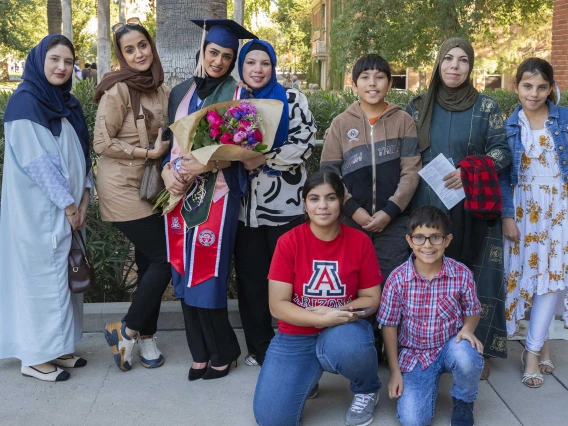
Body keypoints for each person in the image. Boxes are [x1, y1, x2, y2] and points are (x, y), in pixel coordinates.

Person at [406, 38, 511, 378]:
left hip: (473, 208)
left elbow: (502, 152)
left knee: (475, 277)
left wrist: (469, 171)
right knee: (430, 276)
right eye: (447, 58)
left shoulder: (487, 107)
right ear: (438, 63)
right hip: (426, 205)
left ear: (471, 66)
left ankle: (474, 348)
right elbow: (405, 152)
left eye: (462, 60)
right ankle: (428, 345)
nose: (454, 65)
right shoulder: (418, 105)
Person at [161, 19, 256, 381]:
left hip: (218, 194)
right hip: (179, 192)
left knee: (208, 273)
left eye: (226, 55)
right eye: (213, 52)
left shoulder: (240, 94)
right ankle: (199, 352)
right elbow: (170, 146)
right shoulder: (180, 92)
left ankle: (224, 350)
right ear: (202, 50)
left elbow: (247, 149)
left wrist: (211, 160)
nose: (218, 60)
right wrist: (168, 174)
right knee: (182, 272)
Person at [254, 171, 383, 426]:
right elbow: (277, 305)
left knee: (349, 346)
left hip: (343, 327)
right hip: (295, 333)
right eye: (314, 198)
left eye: (330, 198)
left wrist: (337, 314)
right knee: (272, 419)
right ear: (304, 203)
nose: (322, 206)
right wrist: (317, 316)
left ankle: (367, 388)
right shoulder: (288, 242)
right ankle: (305, 378)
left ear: (342, 201)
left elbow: (371, 298)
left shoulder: (359, 241)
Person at [0, 34, 92, 382]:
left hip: (69, 210)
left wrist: (84, 197)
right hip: (39, 215)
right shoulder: (25, 103)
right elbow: (39, 164)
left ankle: (59, 346)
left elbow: (82, 157)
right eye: (54, 59)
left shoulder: (66, 104)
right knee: (42, 281)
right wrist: (69, 207)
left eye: (68, 62)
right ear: (39, 61)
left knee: (67, 281)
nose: (61, 67)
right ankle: (35, 356)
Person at [94, 18, 172, 372]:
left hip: (151, 189)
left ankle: (146, 337)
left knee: (147, 263)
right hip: (123, 189)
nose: (139, 53)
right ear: (121, 56)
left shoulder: (161, 88)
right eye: (130, 50)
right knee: (165, 259)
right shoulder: (118, 90)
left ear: (150, 46)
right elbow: (101, 143)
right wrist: (147, 154)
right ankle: (126, 327)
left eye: (143, 45)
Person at [234, 39, 316, 367]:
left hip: (286, 209)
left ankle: (294, 344)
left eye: (264, 63)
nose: (257, 69)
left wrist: (262, 158)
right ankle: (259, 347)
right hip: (244, 212)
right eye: (250, 63)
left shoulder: (292, 99)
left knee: (291, 281)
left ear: (273, 66)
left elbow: (304, 143)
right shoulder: (234, 102)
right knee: (252, 282)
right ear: (241, 66)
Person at [378, 205, 484, 426]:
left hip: (449, 346)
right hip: (415, 355)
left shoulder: (461, 274)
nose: (427, 245)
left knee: (468, 356)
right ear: (409, 240)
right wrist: (395, 371)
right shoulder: (397, 279)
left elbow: (473, 310)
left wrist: (466, 330)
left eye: (435, 237)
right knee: (413, 421)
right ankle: (426, 385)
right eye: (420, 238)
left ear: (447, 240)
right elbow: (389, 326)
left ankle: (464, 399)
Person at [499, 58, 568, 388]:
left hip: (559, 210)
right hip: (525, 211)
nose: (535, 93)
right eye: (528, 86)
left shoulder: (565, 119)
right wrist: (507, 215)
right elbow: (501, 177)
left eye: (542, 87)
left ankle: (531, 353)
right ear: (516, 87)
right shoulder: (509, 126)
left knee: (552, 279)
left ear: (551, 88)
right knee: (527, 278)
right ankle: (544, 345)